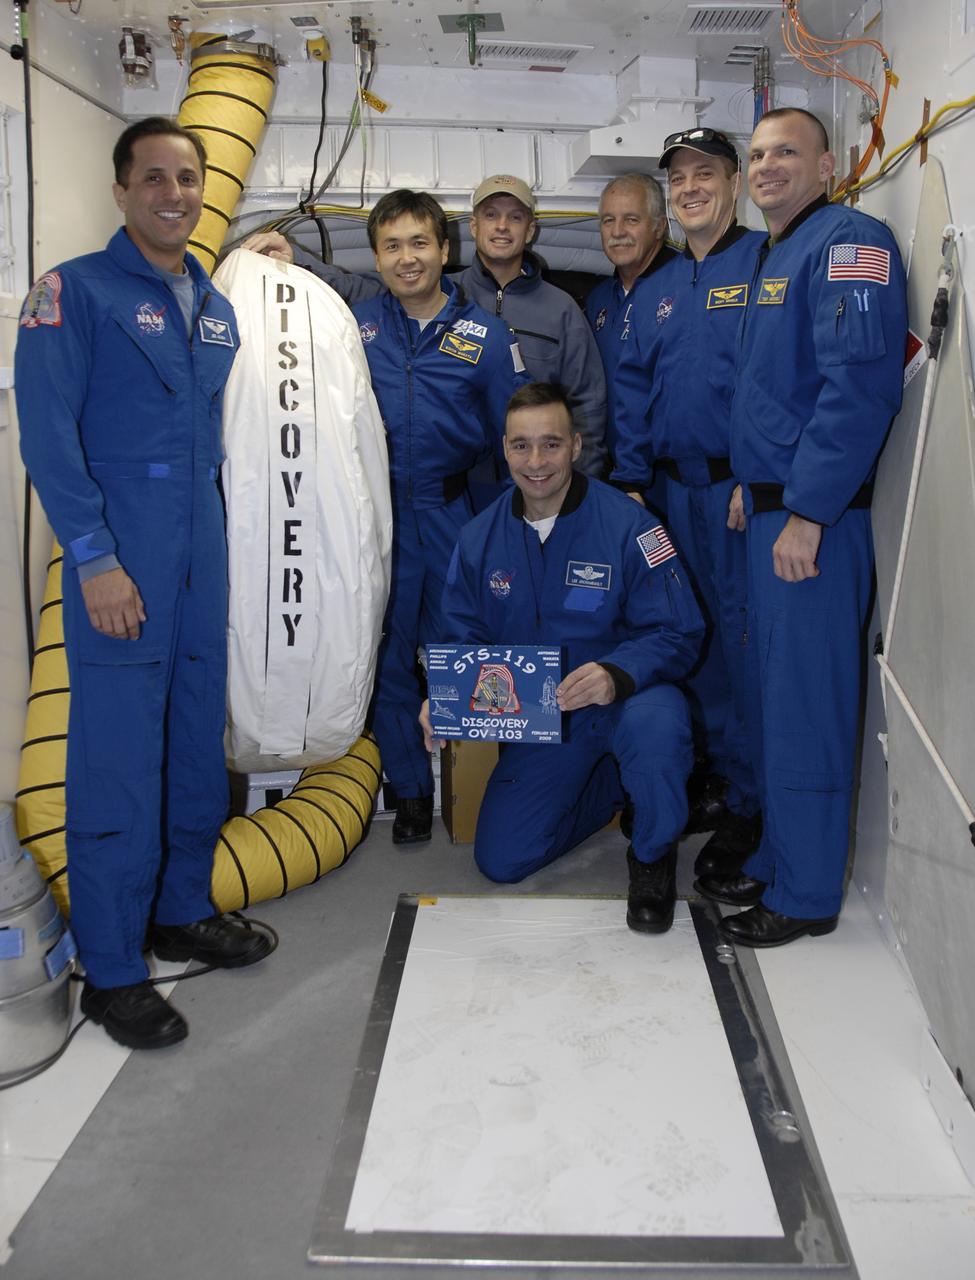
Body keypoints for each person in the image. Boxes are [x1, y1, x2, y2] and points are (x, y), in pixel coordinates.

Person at [14, 117, 271, 1051]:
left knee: (194, 742)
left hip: (201, 554)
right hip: (123, 555)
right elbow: (46, 437)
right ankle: (113, 968)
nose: (175, 193)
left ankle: (179, 908)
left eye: (189, 177)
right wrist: (94, 558)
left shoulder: (211, 303)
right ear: (121, 191)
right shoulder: (71, 293)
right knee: (117, 761)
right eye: (154, 178)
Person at [696, 107, 908, 947]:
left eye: (786, 151)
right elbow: (778, 393)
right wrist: (756, 485)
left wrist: (810, 511)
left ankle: (806, 896)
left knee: (806, 708)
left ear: (829, 163)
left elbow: (857, 388)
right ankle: (785, 861)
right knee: (774, 702)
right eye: (755, 155)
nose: (766, 166)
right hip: (775, 507)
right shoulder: (778, 253)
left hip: (816, 524)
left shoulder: (851, 242)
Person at [421, 383, 704, 932]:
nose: (536, 462)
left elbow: (680, 631)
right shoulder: (478, 539)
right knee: (501, 861)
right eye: (521, 446)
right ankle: (612, 791)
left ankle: (651, 853)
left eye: (550, 444)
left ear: (576, 446)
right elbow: (460, 639)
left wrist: (616, 673)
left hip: (629, 699)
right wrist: (444, 698)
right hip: (546, 721)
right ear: (503, 449)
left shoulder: (631, 526)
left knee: (658, 734)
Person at [349, 189, 529, 844]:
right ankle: (412, 789)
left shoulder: (486, 335)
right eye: (392, 245)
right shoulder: (354, 327)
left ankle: (480, 781)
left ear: (444, 250)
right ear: (375, 256)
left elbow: (517, 437)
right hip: (377, 519)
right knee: (388, 652)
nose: (407, 258)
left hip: (455, 513)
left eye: (419, 243)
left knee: (466, 647)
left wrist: (514, 527)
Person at [611, 129, 766, 879]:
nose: (690, 188)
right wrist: (634, 482)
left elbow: (772, 384)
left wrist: (755, 472)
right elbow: (632, 391)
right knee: (687, 637)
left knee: (742, 646)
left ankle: (749, 803)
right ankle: (709, 780)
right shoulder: (658, 288)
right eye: (678, 179)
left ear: (733, 183)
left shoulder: (764, 264)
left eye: (704, 173)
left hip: (733, 494)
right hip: (666, 494)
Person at [244, 174, 608, 476]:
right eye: (491, 214)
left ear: (443, 250)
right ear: (474, 226)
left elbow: (582, 405)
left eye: (514, 217)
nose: (407, 259)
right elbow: (351, 288)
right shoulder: (373, 314)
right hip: (381, 505)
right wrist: (296, 262)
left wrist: (577, 492)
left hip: (467, 495)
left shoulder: (543, 316)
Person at [583, 173, 676, 421]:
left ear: (659, 226)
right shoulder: (597, 300)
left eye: (631, 219)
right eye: (608, 220)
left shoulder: (685, 288)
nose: (617, 231)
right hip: (612, 454)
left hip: (666, 456)